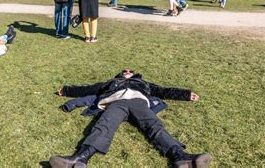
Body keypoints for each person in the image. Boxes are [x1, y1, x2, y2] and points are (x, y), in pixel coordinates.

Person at [49, 69, 212, 168]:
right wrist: (66, 90)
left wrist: (185, 94)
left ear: (135, 75)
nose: (127, 70)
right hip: (116, 102)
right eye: (124, 70)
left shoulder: (144, 84)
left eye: (130, 70)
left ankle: (181, 157)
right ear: (120, 75)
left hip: (138, 102)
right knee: (104, 125)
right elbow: (87, 89)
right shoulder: (111, 83)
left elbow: (164, 91)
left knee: (155, 126)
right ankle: (79, 159)